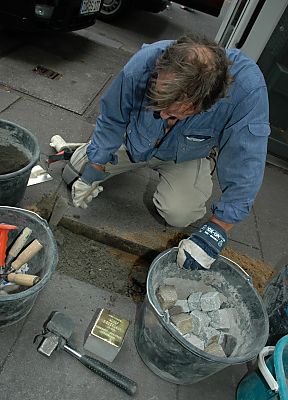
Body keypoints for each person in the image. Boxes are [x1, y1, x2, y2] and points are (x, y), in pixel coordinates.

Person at [62, 34, 270, 271]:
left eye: (173, 112)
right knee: (76, 172)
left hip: (186, 155)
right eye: (158, 103)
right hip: (134, 142)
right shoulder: (146, 62)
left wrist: (218, 230)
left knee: (180, 213)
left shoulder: (247, 89)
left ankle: (195, 171)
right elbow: (113, 117)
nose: (162, 115)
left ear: (208, 100)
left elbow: (246, 161)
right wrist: (96, 166)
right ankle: (98, 154)